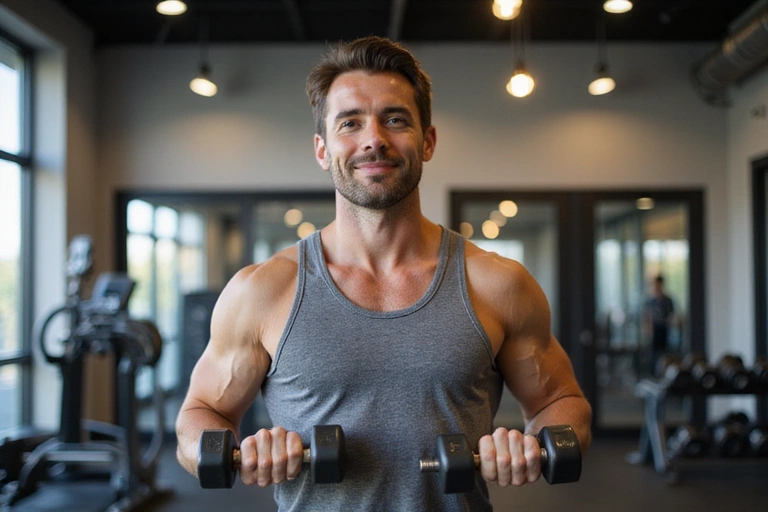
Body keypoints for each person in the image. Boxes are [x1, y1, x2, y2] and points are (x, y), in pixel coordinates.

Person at [176, 36, 592, 511]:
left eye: (395, 119)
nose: (373, 139)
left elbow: (564, 403)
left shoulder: (498, 284)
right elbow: (199, 415)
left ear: (428, 141)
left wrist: (529, 447)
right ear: (322, 149)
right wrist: (241, 453)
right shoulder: (263, 291)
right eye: (350, 123)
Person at [645, 274, 675, 373]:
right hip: (654, 331)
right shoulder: (651, 301)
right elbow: (648, 317)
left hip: (665, 330)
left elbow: (671, 316)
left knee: (665, 354)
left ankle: (664, 372)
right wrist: (648, 330)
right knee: (653, 355)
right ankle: (654, 373)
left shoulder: (668, 301)